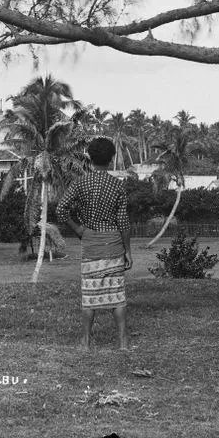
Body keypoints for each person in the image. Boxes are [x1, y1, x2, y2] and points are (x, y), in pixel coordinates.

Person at [56, 137, 132, 350]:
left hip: (90, 243)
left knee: (90, 294)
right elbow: (124, 222)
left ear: (89, 158)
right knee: (117, 295)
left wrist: (78, 228)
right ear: (111, 159)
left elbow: (61, 209)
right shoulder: (117, 185)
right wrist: (128, 251)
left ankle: (86, 342)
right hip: (114, 243)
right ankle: (123, 342)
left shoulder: (80, 183)